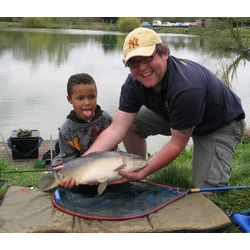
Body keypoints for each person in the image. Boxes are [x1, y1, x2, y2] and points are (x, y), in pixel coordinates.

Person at [74, 27, 246, 189]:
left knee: (206, 194)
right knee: (129, 124)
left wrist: (145, 171)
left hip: (218, 125)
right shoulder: (133, 84)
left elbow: (176, 144)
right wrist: (81, 163)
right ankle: (136, 168)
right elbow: (117, 129)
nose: (142, 68)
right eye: (133, 63)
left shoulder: (186, 87)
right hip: (175, 114)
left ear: (164, 53)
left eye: (147, 58)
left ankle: (141, 172)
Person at [51, 73, 114, 169]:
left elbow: (112, 149)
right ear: (69, 99)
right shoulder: (66, 130)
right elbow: (69, 159)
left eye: (92, 97)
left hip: (104, 164)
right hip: (78, 168)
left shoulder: (106, 119)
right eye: (80, 98)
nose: (87, 103)